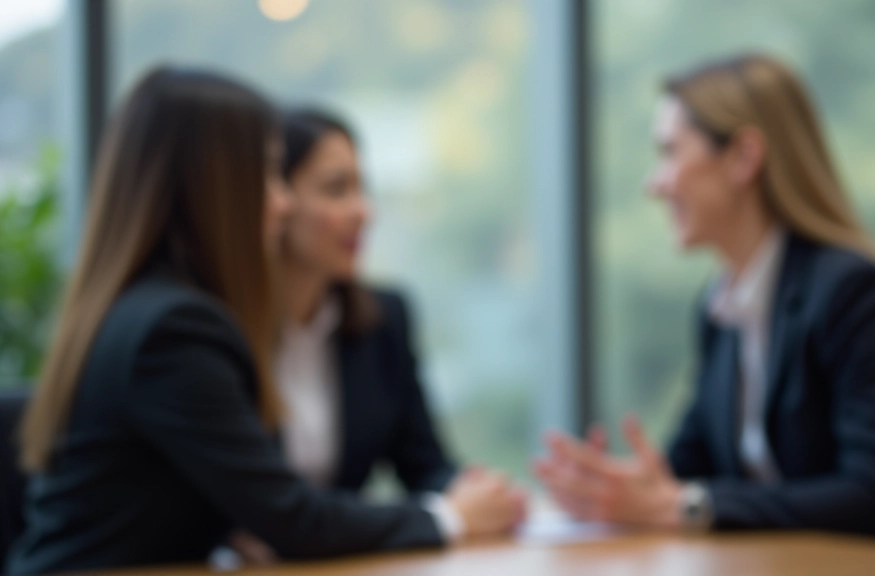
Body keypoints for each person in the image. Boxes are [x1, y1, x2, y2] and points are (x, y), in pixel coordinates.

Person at [7, 67, 521, 576]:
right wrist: (450, 516)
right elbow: (293, 519)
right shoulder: (175, 330)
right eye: (268, 174)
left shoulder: (147, 310)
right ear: (212, 186)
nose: (281, 202)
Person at [534, 54, 875, 547]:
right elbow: (691, 465)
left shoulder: (855, 293)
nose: (655, 184)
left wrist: (683, 504)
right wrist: (623, 487)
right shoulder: (720, 307)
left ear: (744, 158)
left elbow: (874, 494)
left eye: (669, 152)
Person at [223, 108, 525, 564]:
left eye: (362, 189)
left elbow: (424, 465)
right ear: (277, 198)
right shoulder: (217, 331)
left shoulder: (385, 318)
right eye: (336, 189)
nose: (363, 212)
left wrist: (474, 494)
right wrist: (448, 515)